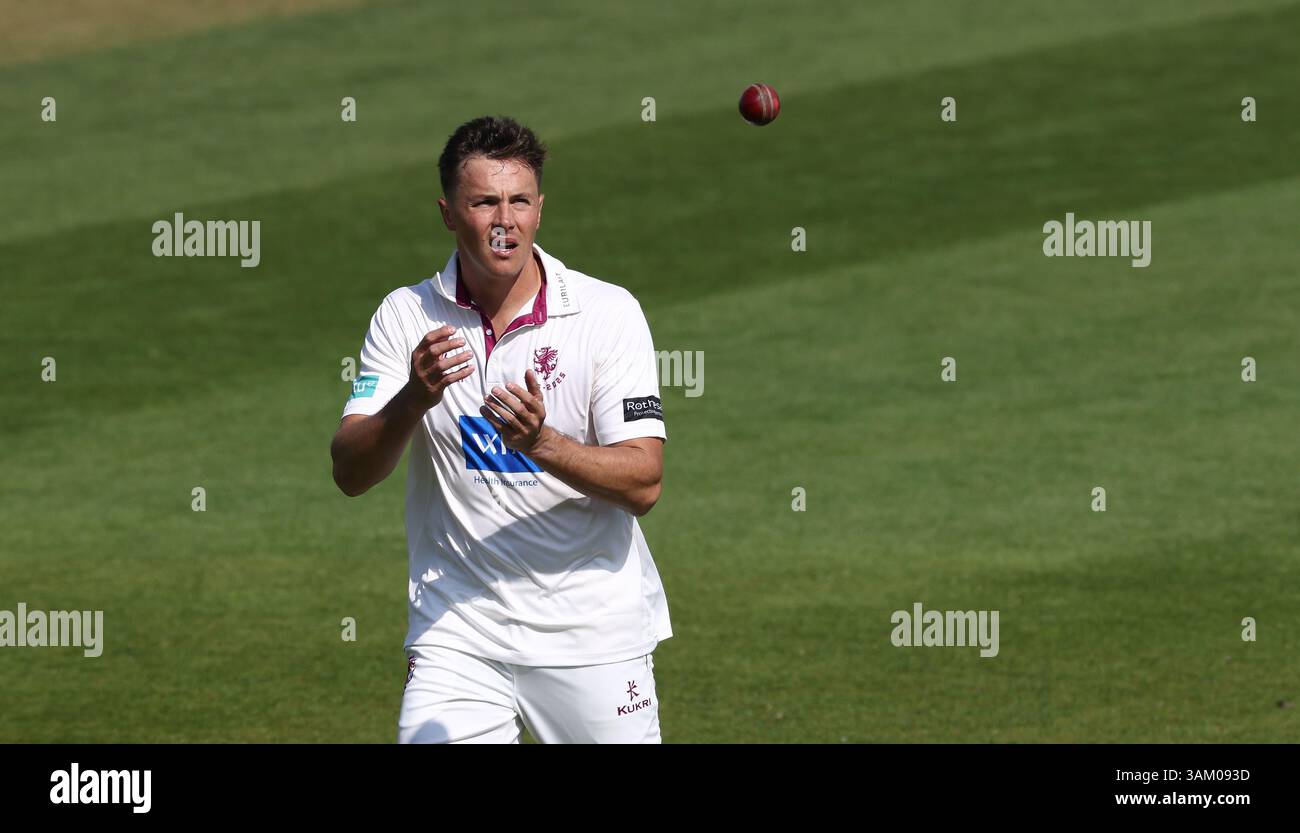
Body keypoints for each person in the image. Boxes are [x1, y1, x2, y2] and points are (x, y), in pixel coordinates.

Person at [330, 115, 671, 743]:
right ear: (448, 212)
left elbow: (643, 483)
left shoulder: (606, 313)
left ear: (541, 208)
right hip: (458, 632)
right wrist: (412, 398)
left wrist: (540, 443)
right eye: (485, 201)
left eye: (519, 201)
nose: (504, 220)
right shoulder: (406, 315)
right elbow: (350, 473)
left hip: (592, 633)